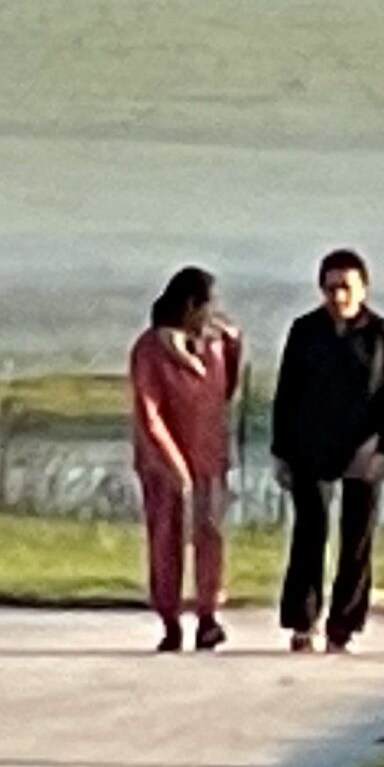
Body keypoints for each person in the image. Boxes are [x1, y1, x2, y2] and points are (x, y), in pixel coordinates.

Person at [270, 248, 384, 654]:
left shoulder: (383, 336)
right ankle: (302, 622)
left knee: (357, 540)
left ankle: (343, 626)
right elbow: (286, 393)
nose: (338, 295)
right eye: (330, 287)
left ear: (363, 288)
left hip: (363, 449)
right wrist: (281, 452)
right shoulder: (305, 331)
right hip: (309, 446)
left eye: (346, 287)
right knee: (309, 535)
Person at [128, 266, 242, 653]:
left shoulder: (214, 345)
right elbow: (149, 411)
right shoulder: (151, 349)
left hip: (209, 453)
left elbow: (226, 390)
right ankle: (170, 618)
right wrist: (170, 461)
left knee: (210, 534)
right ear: (190, 305)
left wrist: (234, 345)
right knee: (166, 538)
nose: (212, 313)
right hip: (163, 463)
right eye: (207, 305)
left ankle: (209, 615)